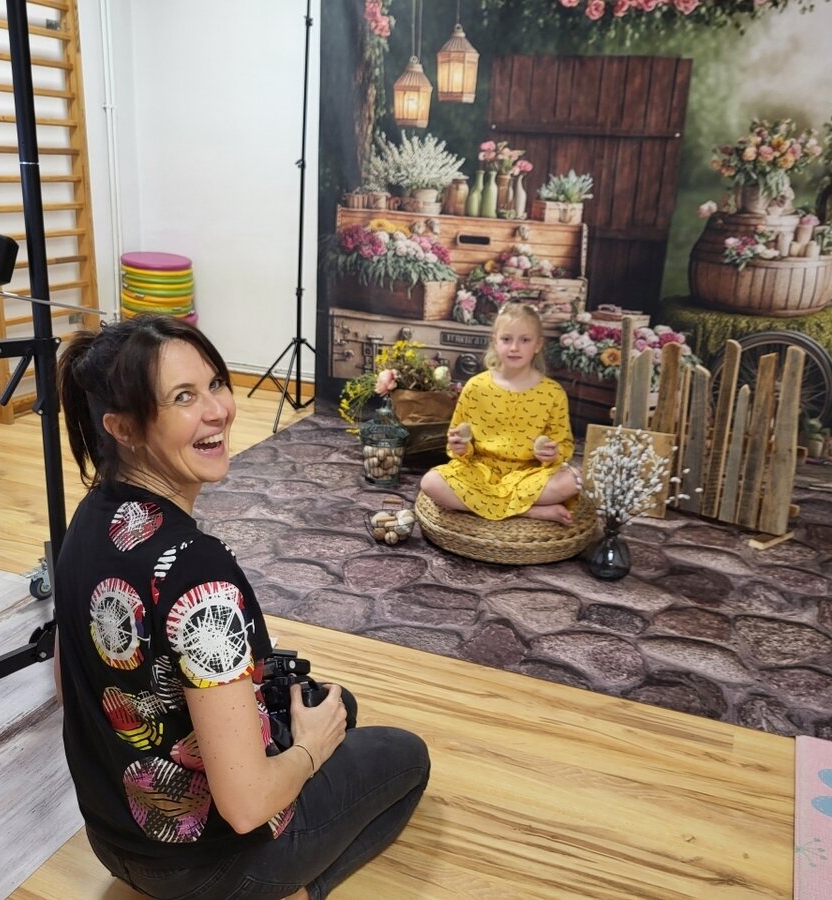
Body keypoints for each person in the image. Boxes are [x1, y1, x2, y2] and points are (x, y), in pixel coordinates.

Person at [53, 314, 430, 899]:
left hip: (114, 839)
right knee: (407, 758)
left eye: (215, 384)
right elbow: (247, 805)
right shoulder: (195, 571)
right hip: (212, 866)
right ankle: (292, 890)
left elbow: (67, 683)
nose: (218, 411)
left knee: (338, 706)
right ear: (123, 427)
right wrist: (309, 749)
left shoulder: (90, 518)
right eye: (183, 397)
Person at [419, 302, 581, 526]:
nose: (514, 347)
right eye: (506, 339)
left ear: (538, 345)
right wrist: (460, 448)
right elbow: (457, 441)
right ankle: (529, 511)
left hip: (528, 475)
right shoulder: (476, 386)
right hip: (480, 472)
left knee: (571, 482)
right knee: (430, 483)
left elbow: (564, 443)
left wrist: (553, 454)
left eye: (525, 340)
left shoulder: (553, 393)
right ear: (495, 342)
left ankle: (485, 505)